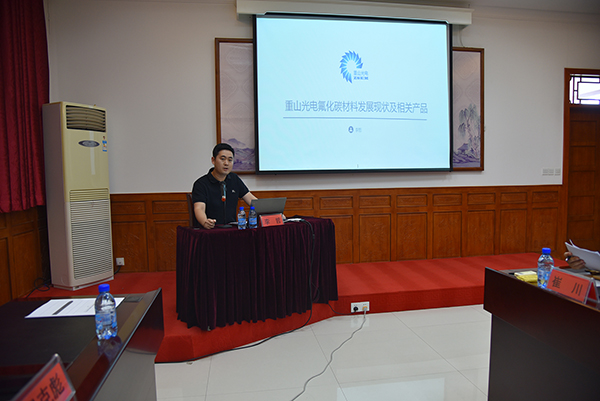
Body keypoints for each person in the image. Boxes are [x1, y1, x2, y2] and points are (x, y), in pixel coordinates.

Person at [191, 143, 257, 229]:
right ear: (213, 160)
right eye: (222, 159)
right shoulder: (201, 184)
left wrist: (269, 211)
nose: (226, 163)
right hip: (210, 230)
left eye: (230, 160)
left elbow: (252, 200)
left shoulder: (234, 179)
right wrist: (205, 221)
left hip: (232, 230)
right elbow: (199, 208)